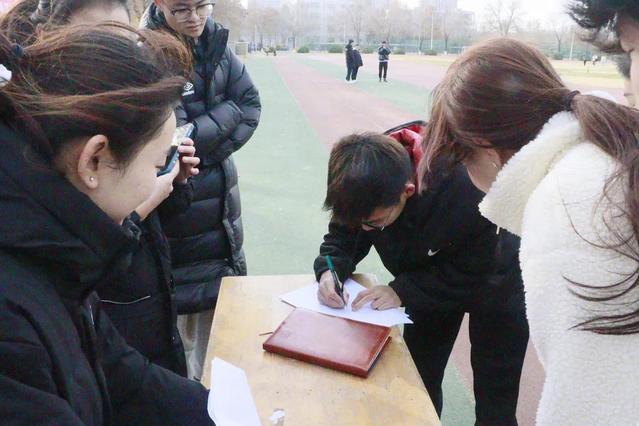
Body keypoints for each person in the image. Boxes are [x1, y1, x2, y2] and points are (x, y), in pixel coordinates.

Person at [0, 25, 213, 424]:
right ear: (94, 160)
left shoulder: (58, 253)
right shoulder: (12, 319)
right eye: (157, 164)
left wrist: (221, 412)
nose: (160, 179)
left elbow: (121, 373)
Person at [420, 37, 639, 426]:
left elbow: (588, 403)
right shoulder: (599, 156)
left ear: (486, 149)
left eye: (463, 161)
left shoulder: (563, 206)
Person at [314, 130, 528, 425]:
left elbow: (481, 266)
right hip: (426, 276)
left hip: (496, 279)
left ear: (407, 191)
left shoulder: (466, 184)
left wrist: (403, 289)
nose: (365, 230)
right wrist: (330, 269)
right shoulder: (362, 179)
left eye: (375, 223)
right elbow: (344, 234)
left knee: (496, 394)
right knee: (419, 379)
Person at [142, 0, 261, 381]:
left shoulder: (216, 43)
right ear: (160, 4)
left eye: (201, 6)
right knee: (183, 350)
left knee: (226, 344)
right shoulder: (148, 53)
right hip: (179, 215)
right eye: (181, 9)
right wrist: (226, 115)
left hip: (222, 212)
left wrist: (202, 155)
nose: (194, 17)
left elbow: (251, 105)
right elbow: (172, 141)